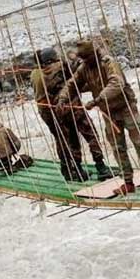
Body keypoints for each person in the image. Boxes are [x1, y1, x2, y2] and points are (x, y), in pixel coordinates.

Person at [57, 40, 140, 195]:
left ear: (94, 55)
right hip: (109, 113)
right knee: (118, 148)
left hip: (126, 108)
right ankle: (127, 182)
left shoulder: (109, 63)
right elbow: (72, 84)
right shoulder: (84, 68)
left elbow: (116, 83)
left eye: (86, 58)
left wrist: (97, 100)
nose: (84, 62)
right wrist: (63, 98)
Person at [31, 49, 111, 182]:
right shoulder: (61, 66)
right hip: (72, 107)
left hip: (52, 113)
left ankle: (76, 170)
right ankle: (101, 166)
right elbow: (78, 75)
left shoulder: (35, 74)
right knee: (90, 134)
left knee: (67, 140)